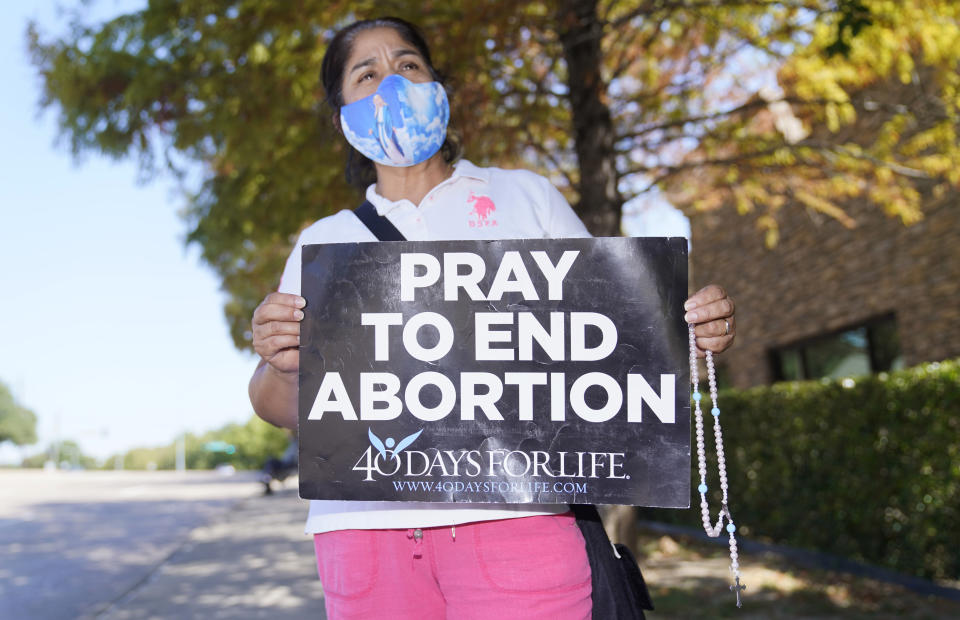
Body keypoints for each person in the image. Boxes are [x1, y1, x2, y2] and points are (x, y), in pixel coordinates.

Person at [249, 16, 737, 620]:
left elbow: (611, 350)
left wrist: (689, 335)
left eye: (408, 66)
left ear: (439, 88)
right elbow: (280, 405)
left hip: (518, 521)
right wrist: (282, 362)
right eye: (366, 75)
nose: (392, 85)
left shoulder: (524, 197)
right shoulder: (326, 243)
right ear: (341, 117)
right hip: (363, 532)